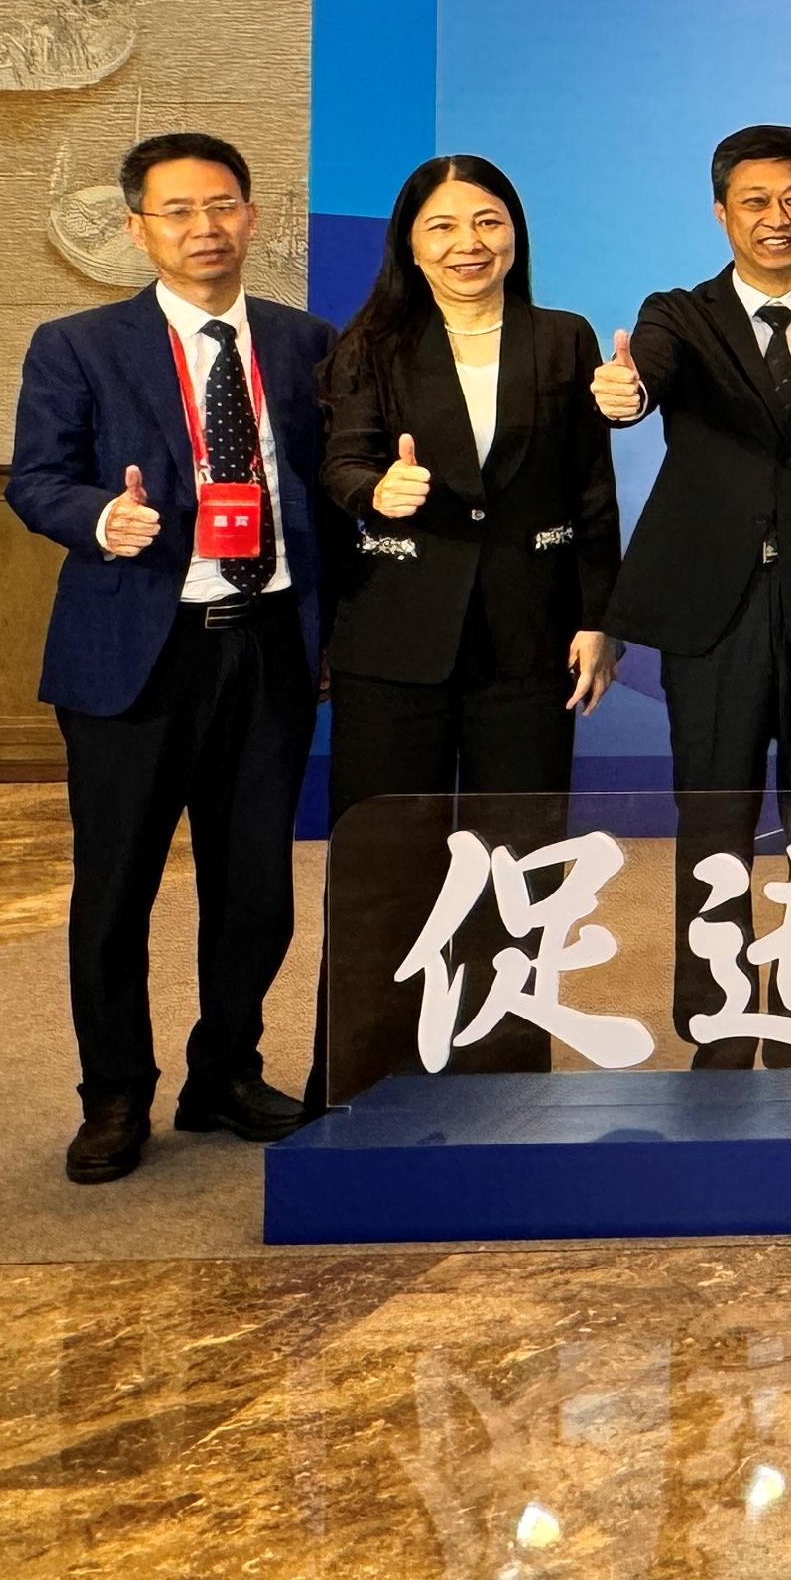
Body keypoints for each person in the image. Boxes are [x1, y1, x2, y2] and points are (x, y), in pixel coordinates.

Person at [6, 132, 336, 1181]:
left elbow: (331, 484)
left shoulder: (304, 344)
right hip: (134, 659)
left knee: (255, 889)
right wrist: (103, 518)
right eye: (180, 211)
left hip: (269, 648)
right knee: (116, 892)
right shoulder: (79, 344)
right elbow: (36, 478)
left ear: (253, 217)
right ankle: (113, 1096)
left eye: (224, 207)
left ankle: (224, 1074)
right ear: (138, 225)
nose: (206, 229)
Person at [588, 123, 791, 1065]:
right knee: (716, 820)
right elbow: (644, 374)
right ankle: (718, 1027)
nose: (777, 221)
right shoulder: (680, 315)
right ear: (721, 213)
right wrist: (625, 392)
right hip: (714, 610)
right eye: (756, 204)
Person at [314, 154, 623, 1103]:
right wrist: (379, 488)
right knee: (385, 866)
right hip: (396, 636)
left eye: (487, 222)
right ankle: (362, 1075)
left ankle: (503, 1077)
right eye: (444, 227)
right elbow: (342, 465)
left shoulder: (564, 341)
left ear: (516, 233)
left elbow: (590, 492)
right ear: (410, 241)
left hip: (528, 639)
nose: (468, 245)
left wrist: (598, 617)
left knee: (518, 863)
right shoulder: (369, 343)